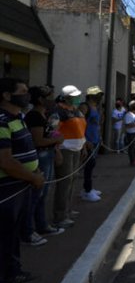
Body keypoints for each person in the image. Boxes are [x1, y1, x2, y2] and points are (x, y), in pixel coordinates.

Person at [0, 78, 45, 283]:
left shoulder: (20, 118)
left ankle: (13, 272)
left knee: (13, 235)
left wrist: (34, 170)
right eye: (23, 91)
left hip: (22, 185)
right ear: (7, 96)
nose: (27, 95)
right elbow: (5, 161)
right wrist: (33, 177)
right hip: (7, 189)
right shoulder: (1, 120)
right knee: (3, 237)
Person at [22, 86, 65, 246]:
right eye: (49, 96)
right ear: (40, 99)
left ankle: (42, 225)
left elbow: (49, 134)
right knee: (35, 195)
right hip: (40, 157)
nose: (52, 99)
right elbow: (38, 141)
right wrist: (56, 140)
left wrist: (56, 148)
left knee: (43, 194)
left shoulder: (44, 114)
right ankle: (27, 231)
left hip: (48, 155)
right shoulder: (33, 116)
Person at [53, 85, 87, 228]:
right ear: (66, 98)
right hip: (65, 149)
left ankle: (67, 209)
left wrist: (83, 146)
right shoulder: (58, 112)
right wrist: (57, 150)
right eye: (74, 97)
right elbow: (53, 131)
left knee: (73, 179)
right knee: (65, 182)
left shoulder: (76, 111)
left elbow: (81, 130)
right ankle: (60, 216)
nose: (78, 99)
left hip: (77, 149)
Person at [80, 86, 103, 202]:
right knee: (88, 166)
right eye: (97, 95)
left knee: (92, 165)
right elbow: (80, 124)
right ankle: (87, 191)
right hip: (88, 141)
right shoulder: (85, 107)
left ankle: (88, 188)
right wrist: (85, 140)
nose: (100, 97)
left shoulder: (95, 107)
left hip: (95, 140)